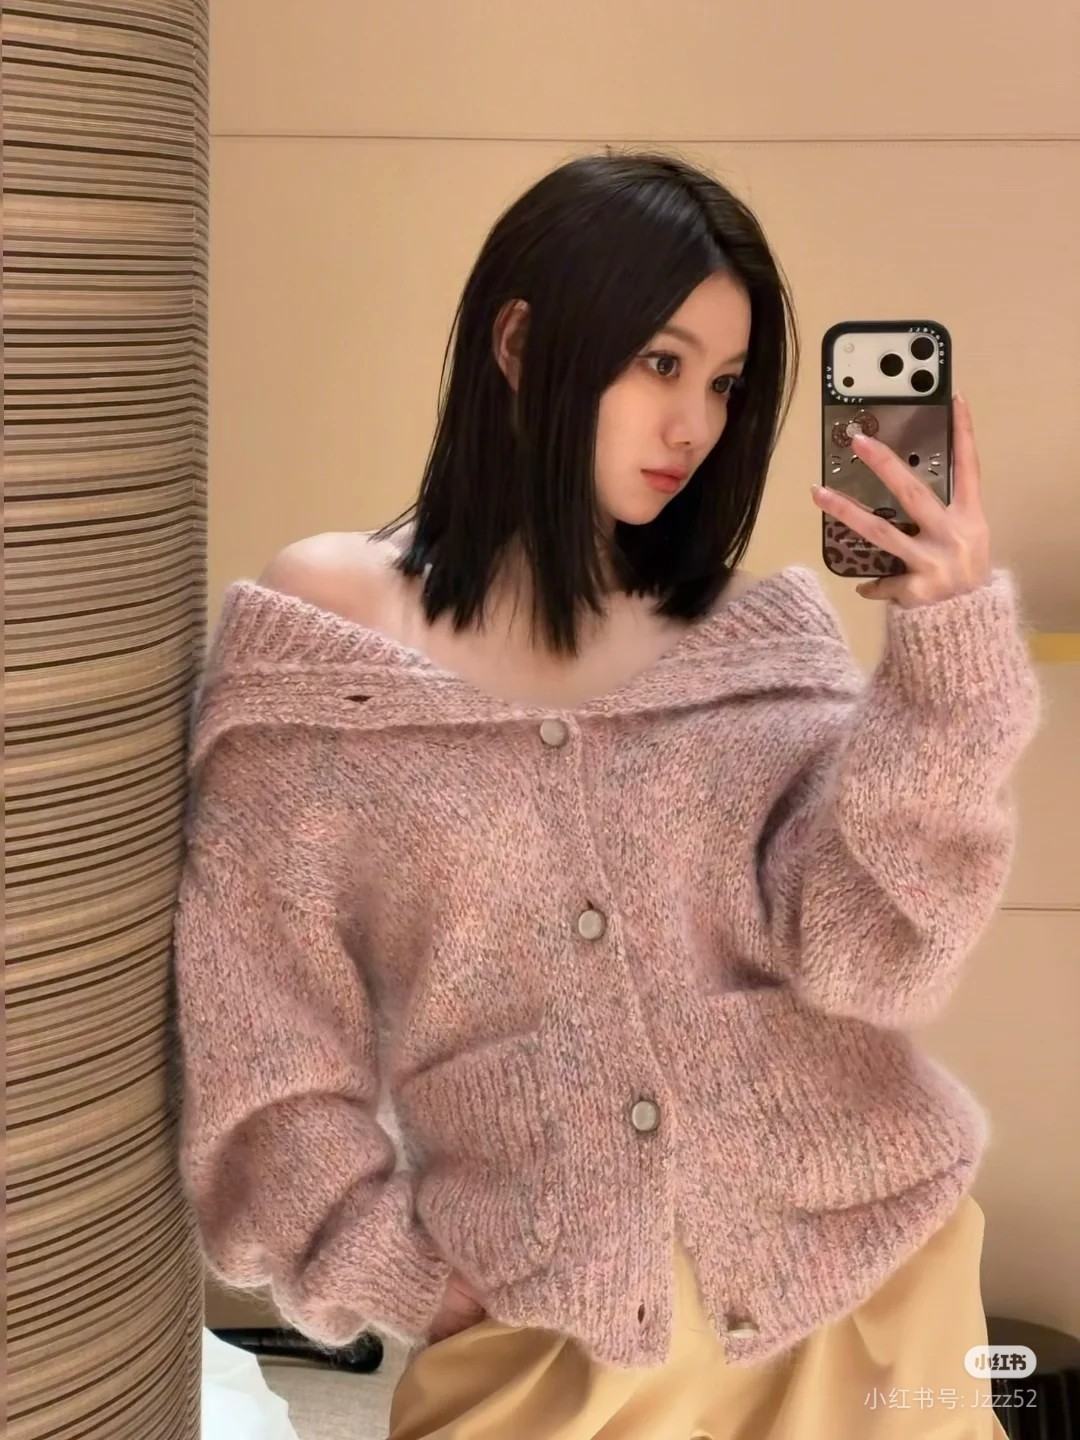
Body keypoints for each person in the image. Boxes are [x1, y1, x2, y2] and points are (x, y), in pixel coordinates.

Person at [172, 151, 1041, 1438]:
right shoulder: (324, 636)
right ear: (522, 345)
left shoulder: (756, 641)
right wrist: (398, 1271)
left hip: (870, 1309)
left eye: (726, 383)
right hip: (551, 1348)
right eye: (660, 363)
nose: (695, 426)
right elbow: (260, 1030)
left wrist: (946, 658)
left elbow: (875, 960)